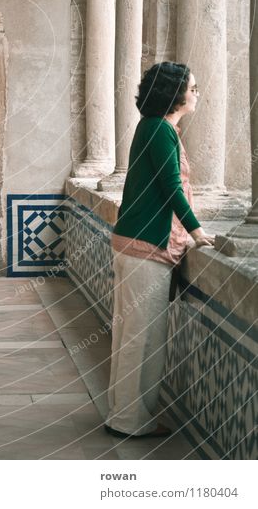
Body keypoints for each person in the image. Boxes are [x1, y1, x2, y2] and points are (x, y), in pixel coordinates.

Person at [105, 62, 215, 439]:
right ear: (175, 93)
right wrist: (198, 232)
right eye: (193, 87)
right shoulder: (159, 130)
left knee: (130, 336)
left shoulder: (153, 127)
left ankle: (122, 413)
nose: (197, 93)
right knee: (143, 338)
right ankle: (130, 420)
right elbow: (171, 187)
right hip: (145, 247)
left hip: (132, 242)